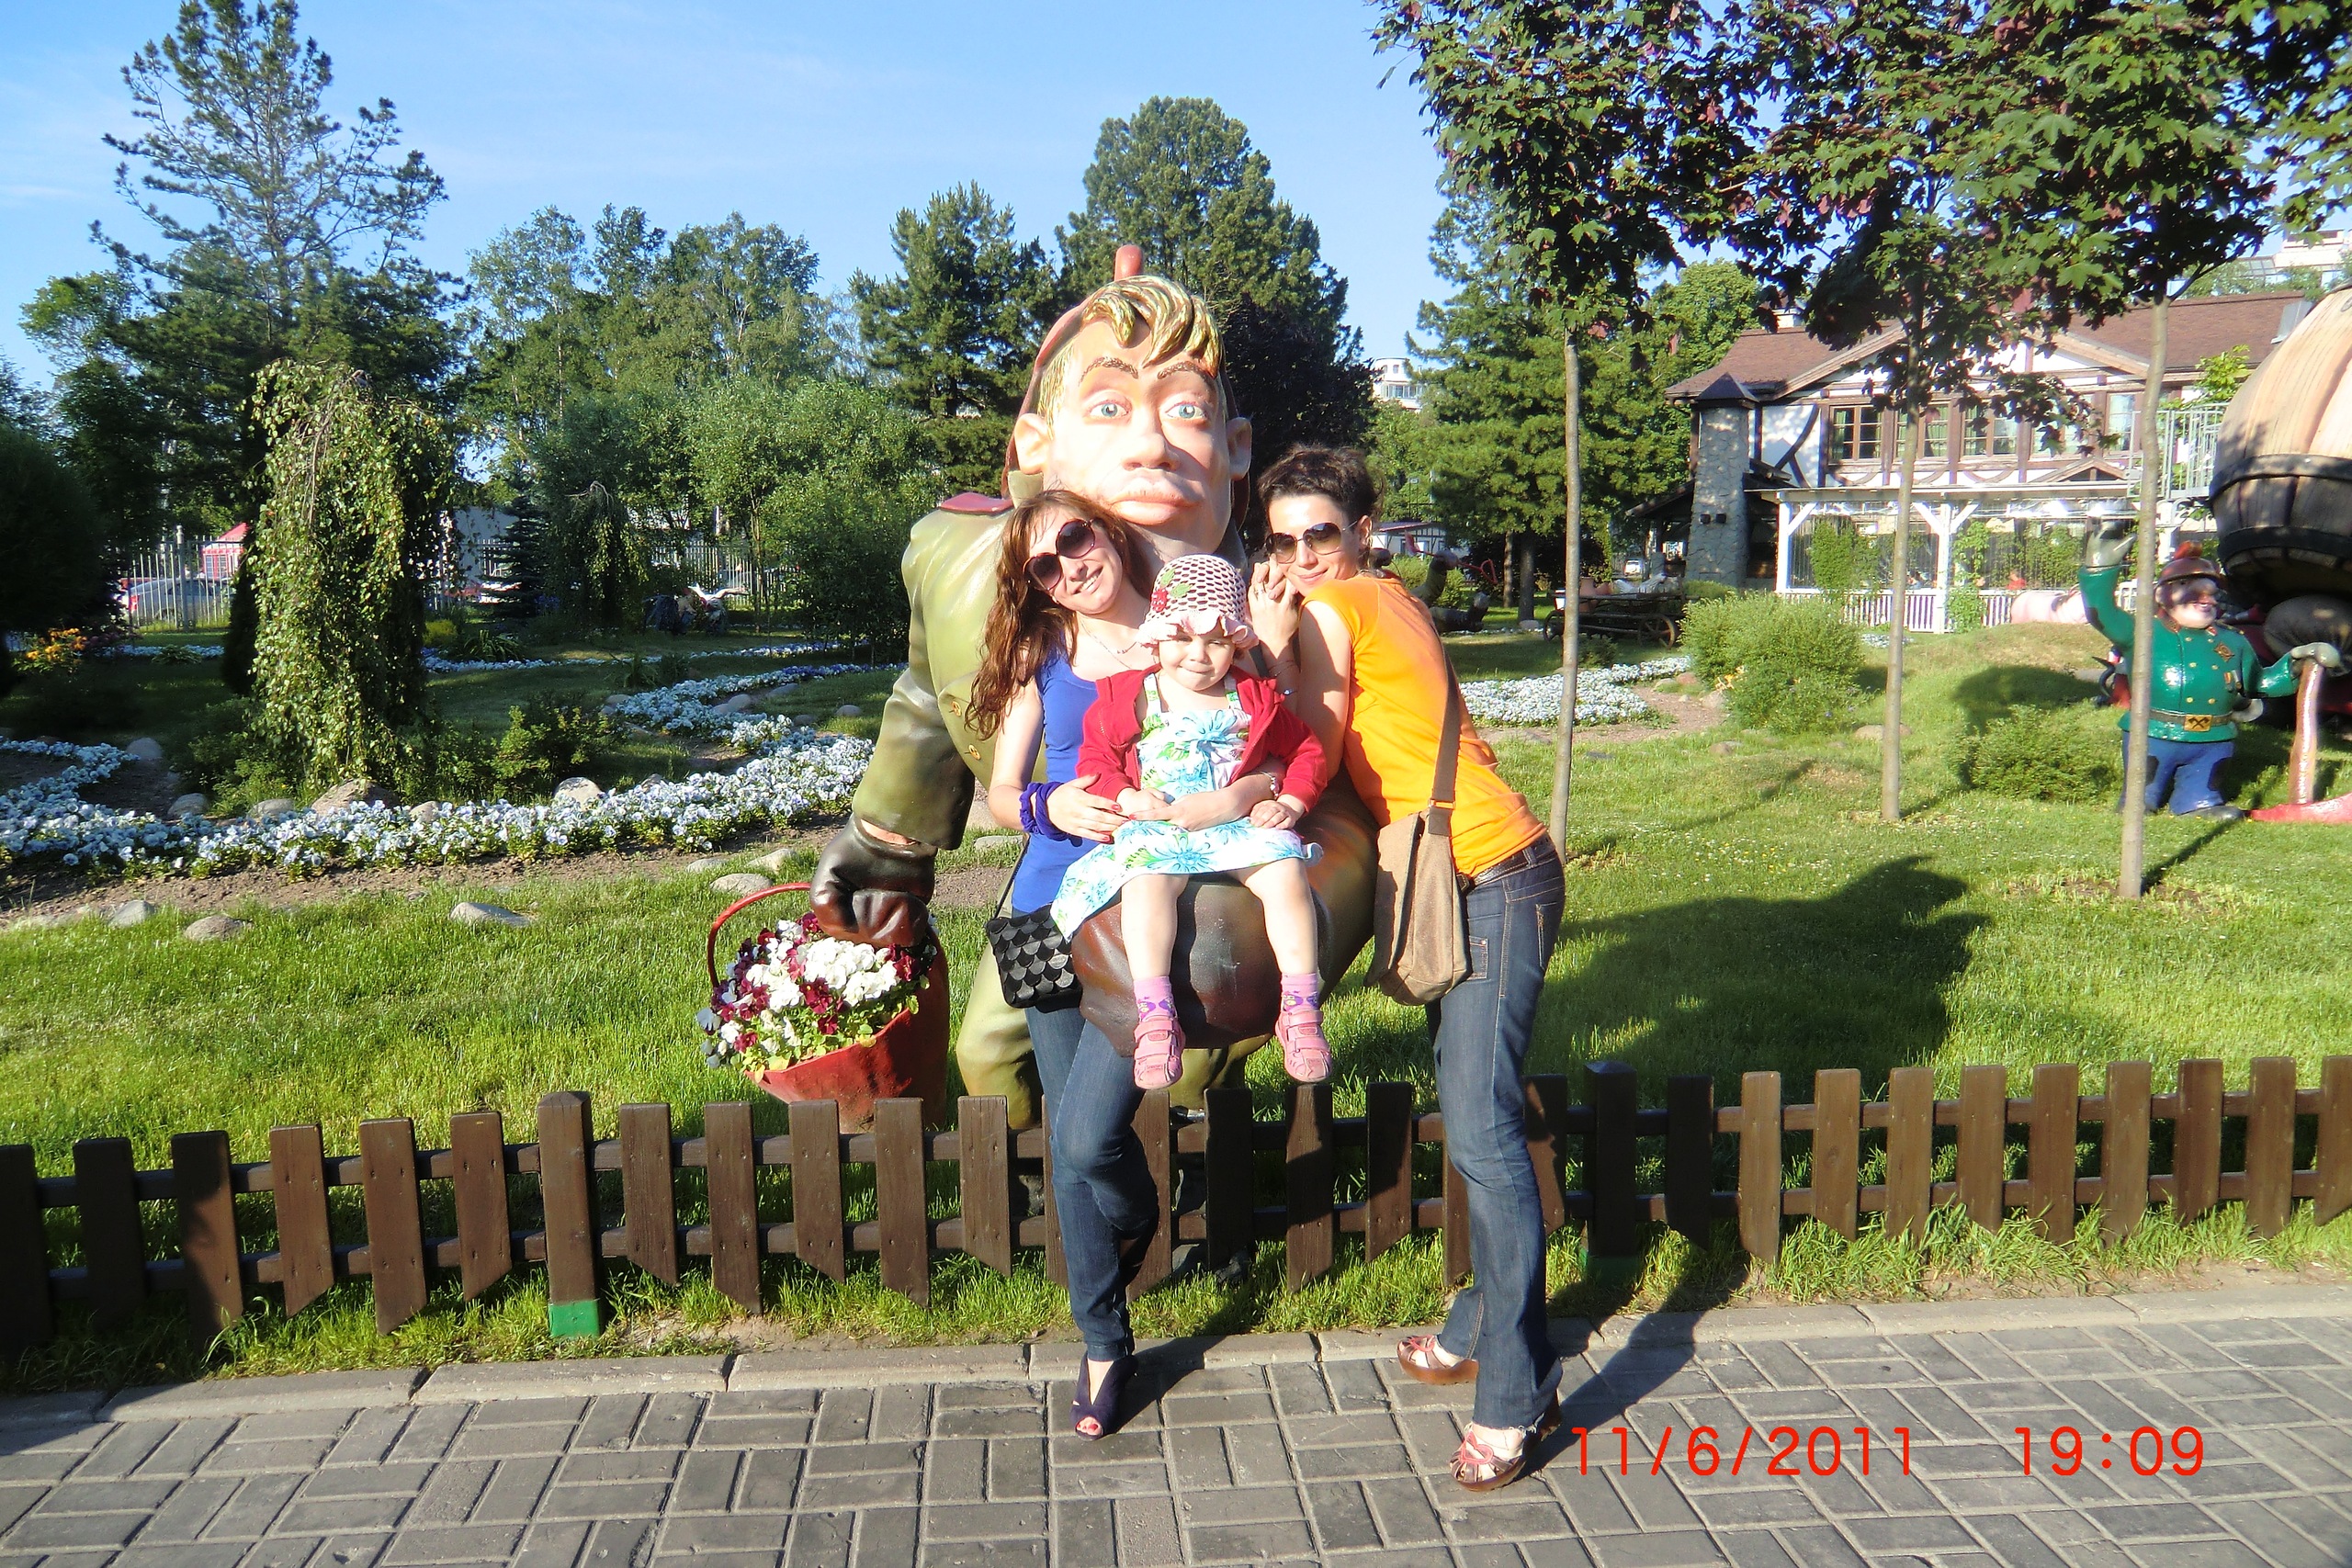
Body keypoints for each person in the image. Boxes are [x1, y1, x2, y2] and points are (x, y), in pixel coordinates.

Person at [806, 252, 1378, 1122]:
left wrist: (1273, 842)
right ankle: (1049, 1181)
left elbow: (1322, 760)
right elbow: (931, 694)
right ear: (1040, 444)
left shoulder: (1266, 611)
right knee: (992, 1055)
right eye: (1108, 407)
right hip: (1059, 878)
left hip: (1206, 866)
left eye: (1185, 411)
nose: (1149, 444)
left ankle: (1176, 1159)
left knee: (1186, 1017)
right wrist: (886, 841)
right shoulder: (973, 579)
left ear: (1234, 449)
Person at [1249, 445, 1566, 1493]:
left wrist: (1266, 642)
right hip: (1475, 874)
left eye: (1319, 534)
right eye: (1281, 540)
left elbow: (1305, 741)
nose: (1300, 557)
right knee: (1474, 1116)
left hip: (1488, 876)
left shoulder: (1341, 607)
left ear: (1361, 530)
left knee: (1482, 1132)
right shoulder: (1389, 597)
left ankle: (1518, 1392)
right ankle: (1475, 1325)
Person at [964, 489, 1187, 1441]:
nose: (1068, 567)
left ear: (1109, 533)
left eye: (1075, 539)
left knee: (1090, 1136)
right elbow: (996, 794)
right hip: (1040, 916)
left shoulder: (1184, 632)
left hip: (1145, 921)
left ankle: (1133, 1219)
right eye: (1043, 565)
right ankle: (1103, 1340)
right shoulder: (1043, 651)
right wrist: (1045, 805)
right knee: (1068, 1136)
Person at [1050, 554, 1329, 1089]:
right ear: (1156, 639)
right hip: (1161, 823)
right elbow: (1096, 761)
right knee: (1147, 881)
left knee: (1285, 871)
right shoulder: (1131, 695)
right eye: (1182, 638)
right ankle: (1156, 1014)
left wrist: (1292, 803)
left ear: (1237, 645)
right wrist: (1126, 795)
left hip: (1235, 822)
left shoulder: (1253, 698)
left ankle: (1300, 1007)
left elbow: (1305, 752)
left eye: (1217, 642)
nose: (1198, 656)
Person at [2079, 524, 2336, 820]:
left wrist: (2295, 664)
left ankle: (2199, 802)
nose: (2207, 600)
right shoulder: (2144, 633)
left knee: (2205, 785)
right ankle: (2141, 800)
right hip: (2155, 733)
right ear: (2162, 595)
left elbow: (2259, 682)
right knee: (2142, 791)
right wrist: (2099, 570)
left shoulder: (2233, 641)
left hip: (2213, 738)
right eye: (2193, 591)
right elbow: (2102, 613)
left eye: (2212, 594)